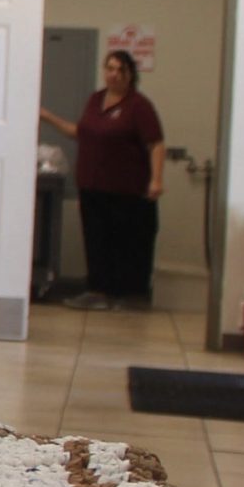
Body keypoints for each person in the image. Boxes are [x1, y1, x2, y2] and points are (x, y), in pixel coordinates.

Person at [39, 49, 165, 309]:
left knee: (128, 244)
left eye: (120, 70)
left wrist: (156, 179)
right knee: (97, 241)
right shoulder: (96, 100)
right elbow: (81, 132)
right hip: (93, 186)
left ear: (130, 74)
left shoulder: (138, 105)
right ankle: (98, 292)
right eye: (110, 68)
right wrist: (48, 117)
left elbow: (156, 144)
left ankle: (131, 296)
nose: (114, 74)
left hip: (128, 190)